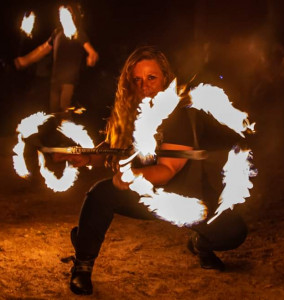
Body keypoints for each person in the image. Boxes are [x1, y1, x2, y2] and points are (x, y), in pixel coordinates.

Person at [56, 46, 248, 295]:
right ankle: (82, 264)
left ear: (165, 79)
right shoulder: (132, 110)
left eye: (151, 78)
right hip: (148, 196)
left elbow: (167, 168)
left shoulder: (179, 114)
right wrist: (88, 156)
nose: (144, 85)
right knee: (100, 194)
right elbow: (116, 147)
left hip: (188, 198)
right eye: (137, 79)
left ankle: (201, 244)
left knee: (234, 232)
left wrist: (134, 176)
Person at [14, 2, 99, 117]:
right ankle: (56, 133)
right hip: (55, 79)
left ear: (73, 16)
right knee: (54, 112)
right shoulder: (56, 32)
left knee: (64, 110)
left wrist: (92, 57)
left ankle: (66, 133)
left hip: (69, 80)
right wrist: (25, 60)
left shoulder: (78, 34)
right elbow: (43, 49)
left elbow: (91, 51)